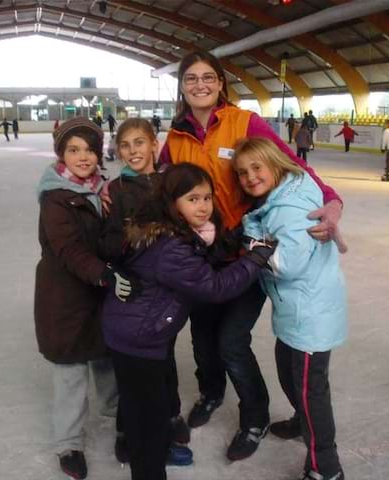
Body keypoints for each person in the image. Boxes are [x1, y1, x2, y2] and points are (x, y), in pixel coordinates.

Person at [158, 50, 343, 461]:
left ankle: (254, 416)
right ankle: (210, 393)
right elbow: (161, 190)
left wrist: (332, 200)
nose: (200, 85)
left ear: (221, 83)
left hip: (246, 251)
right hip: (200, 255)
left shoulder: (244, 122)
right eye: (191, 79)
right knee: (203, 338)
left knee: (231, 341)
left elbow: (290, 164)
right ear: (182, 86)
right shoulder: (174, 138)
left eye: (208, 77)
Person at [102, 162, 276, 480]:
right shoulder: (172, 247)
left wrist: (237, 236)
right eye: (192, 199)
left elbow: (205, 260)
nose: (203, 206)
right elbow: (214, 286)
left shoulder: (171, 230)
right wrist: (256, 258)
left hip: (138, 332)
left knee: (143, 406)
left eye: (207, 198)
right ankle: (149, 467)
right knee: (149, 422)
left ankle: (139, 445)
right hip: (139, 340)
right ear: (173, 203)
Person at [235, 137, 347, 480]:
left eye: (257, 167)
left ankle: (324, 466)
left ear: (274, 164)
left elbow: (286, 265)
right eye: (242, 172)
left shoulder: (287, 209)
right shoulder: (284, 195)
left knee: (310, 390)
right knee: (288, 372)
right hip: (298, 310)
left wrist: (249, 241)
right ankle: (302, 420)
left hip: (309, 315)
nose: (250, 177)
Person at [34, 117, 131, 480]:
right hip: (65, 298)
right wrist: (104, 273)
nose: (83, 156)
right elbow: (68, 249)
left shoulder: (105, 191)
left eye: (89, 149)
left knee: (108, 361)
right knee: (71, 371)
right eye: (73, 150)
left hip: (100, 294)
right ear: (61, 154)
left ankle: (120, 421)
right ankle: (69, 443)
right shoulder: (55, 198)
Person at [101, 118, 193, 466]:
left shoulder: (171, 182)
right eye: (125, 145)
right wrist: (130, 235)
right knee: (137, 366)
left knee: (164, 356)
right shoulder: (119, 189)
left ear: (155, 143)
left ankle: (169, 415)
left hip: (167, 290)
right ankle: (129, 429)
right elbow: (107, 243)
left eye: (139, 143)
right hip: (137, 292)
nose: (132, 151)